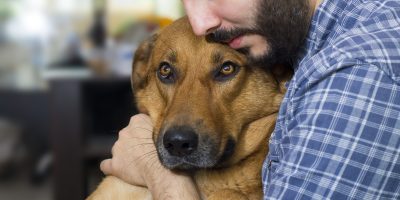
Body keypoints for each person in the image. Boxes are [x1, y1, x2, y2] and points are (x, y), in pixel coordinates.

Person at [101, 0, 400, 199]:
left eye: (225, 69)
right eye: (166, 72)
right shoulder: (304, 43)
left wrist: (159, 175)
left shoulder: (356, 72)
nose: (200, 22)